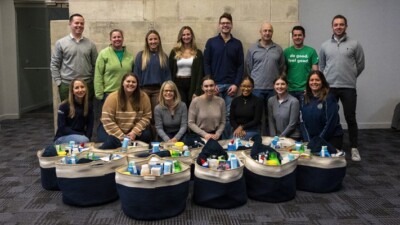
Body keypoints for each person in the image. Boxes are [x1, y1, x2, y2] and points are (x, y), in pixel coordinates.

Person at [319, 14, 365, 161]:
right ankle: (329, 144)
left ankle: (354, 148)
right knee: (329, 117)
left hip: (348, 87)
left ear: (346, 26)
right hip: (330, 87)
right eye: (336, 25)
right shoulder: (325, 45)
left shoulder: (355, 44)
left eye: (341, 24)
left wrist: (350, 76)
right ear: (332, 27)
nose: (338, 27)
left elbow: (360, 64)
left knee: (350, 118)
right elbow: (322, 66)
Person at [203, 12, 244, 139]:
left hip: (231, 86)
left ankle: (226, 142)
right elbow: (206, 63)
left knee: (227, 115)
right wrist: (212, 84)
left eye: (227, 23)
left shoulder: (237, 43)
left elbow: (240, 66)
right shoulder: (211, 42)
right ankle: (215, 139)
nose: (225, 25)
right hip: (215, 86)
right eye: (222, 23)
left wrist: (236, 84)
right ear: (219, 25)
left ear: (231, 25)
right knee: (215, 115)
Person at [94, 29, 134, 141]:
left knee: (123, 121)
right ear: (110, 39)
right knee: (107, 122)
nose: (117, 39)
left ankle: (123, 141)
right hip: (108, 94)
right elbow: (98, 74)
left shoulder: (129, 56)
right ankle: (106, 141)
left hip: (126, 95)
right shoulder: (104, 54)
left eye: (119, 37)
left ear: (123, 38)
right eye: (114, 37)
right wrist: (99, 94)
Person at [246, 22, 284, 135]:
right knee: (257, 117)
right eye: (265, 30)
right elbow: (248, 68)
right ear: (260, 32)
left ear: (272, 32)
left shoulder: (278, 49)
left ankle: (271, 138)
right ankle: (258, 138)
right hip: (257, 88)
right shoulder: (252, 49)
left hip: (274, 89)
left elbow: (281, 67)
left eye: (270, 31)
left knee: (272, 116)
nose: (267, 33)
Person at [50, 13, 98, 101]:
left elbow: (96, 65)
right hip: (67, 85)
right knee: (68, 112)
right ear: (70, 24)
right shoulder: (61, 43)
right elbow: (54, 64)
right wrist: (58, 83)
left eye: (81, 23)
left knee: (86, 112)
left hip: (86, 84)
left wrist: (93, 82)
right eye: (76, 23)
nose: (79, 25)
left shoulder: (91, 44)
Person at [134, 30, 171, 139]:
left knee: (156, 117)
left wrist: (165, 91)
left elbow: (167, 76)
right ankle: (146, 139)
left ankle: (156, 140)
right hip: (144, 90)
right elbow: (136, 74)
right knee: (144, 116)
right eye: (150, 39)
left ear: (159, 40)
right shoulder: (141, 55)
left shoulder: (163, 56)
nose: (153, 41)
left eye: (155, 39)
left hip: (158, 91)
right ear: (147, 41)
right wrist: (138, 91)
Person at [100, 73, 152, 143]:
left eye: (133, 82)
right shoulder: (112, 97)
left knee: (147, 135)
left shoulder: (144, 97)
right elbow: (107, 119)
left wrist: (134, 132)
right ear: (123, 83)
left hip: (132, 132)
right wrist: (123, 136)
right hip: (113, 129)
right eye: (128, 81)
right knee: (109, 141)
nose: (131, 84)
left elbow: (146, 117)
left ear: (137, 84)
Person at [300, 70, 343, 151]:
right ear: (308, 82)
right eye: (311, 80)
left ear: (322, 82)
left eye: (317, 80)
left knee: (326, 162)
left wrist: (318, 141)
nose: (314, 82)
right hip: (312, 139)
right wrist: (308, 141)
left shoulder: (329, 98)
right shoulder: (303, 98)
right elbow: (302, 122)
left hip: (330, 138)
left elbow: (331, 123)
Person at [169, 26, 204, 107]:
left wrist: (197, 91)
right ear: (181, 37)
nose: (186, 37)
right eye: (183, 35)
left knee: (192, 107)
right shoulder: (174, 52)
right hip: (178, 84)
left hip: (192, 83)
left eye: (188, 34)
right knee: (182, 106)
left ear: (192, 36)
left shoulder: (198, 53)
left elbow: (200, 73)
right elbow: (170, 70)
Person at [283, 25, 319, 102]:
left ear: (304, 36)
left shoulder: (311, 51)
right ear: (292, 37)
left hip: (305, 90)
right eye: (295, 35)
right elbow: (283, 72)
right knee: (292, 113)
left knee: (306, 113)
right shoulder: (286, 52)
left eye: (300, 35)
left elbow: (315, 73)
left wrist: (311, 89)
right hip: (290, 90)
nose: (297, 37)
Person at [54, 78, 93, 144]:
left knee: (85, 141)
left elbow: (90, 126)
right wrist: (81, 135)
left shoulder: (89, 105)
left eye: (82, 87)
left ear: (86, 89)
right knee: (83, 140)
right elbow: (62, 128)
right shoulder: (64, 106)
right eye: (77, 88)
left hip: (81, 137)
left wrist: (88, 138)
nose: (80, 90)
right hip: (62, 137)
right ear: (72, 91)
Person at [188, 76, 226, 141]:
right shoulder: (195, 101)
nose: (209, 88)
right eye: (206, 86)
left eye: (211, 85)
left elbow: (222, 122)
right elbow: (190, 123)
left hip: (216, 136)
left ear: (215, 86)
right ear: (202, 88)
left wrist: (217, 134)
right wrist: (205, 134)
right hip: (200, 136)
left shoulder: (221, 101)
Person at [230, 76, 263, 140]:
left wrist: (242, 127)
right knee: (232, 142)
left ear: (253, 87)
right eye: (244, 86)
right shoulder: (235, 101)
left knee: (238, 140)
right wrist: (238, 129)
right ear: (240, 86)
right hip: (237, 130)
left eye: (249, 86)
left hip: (253, 130)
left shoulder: (258, 101)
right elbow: (232, 119)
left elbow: (256, 120)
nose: (246, 89)